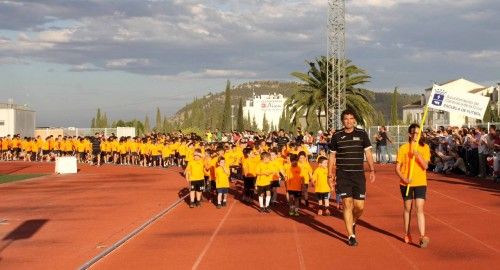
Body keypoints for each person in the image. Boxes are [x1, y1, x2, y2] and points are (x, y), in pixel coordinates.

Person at [328, 109, 375, 246]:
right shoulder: (337, 135)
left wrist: (372, 169)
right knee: (347, 204)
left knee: (359, 207)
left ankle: (353, 221)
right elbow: (332, 156)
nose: (348, 121)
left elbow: (368, 153)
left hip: (358, 175)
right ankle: (351, 235)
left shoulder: (362, 134)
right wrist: (329, 174)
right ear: (342, 121)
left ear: (354, 120)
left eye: (351, 118)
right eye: (346, 119)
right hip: (343, 175)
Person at [395, 123, 431, 248]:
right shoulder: (404, 148)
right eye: (414, 133)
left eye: (419, 132)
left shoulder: (425, 147)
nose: (417, 135)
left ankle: (422, 235)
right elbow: (397, 168)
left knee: (419, 208)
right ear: (410, 134)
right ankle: (407, 233)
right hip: (406, 183)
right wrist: (404, 178)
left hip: (420, 182)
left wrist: (417, 155)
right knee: (407, 208)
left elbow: (425, 166)